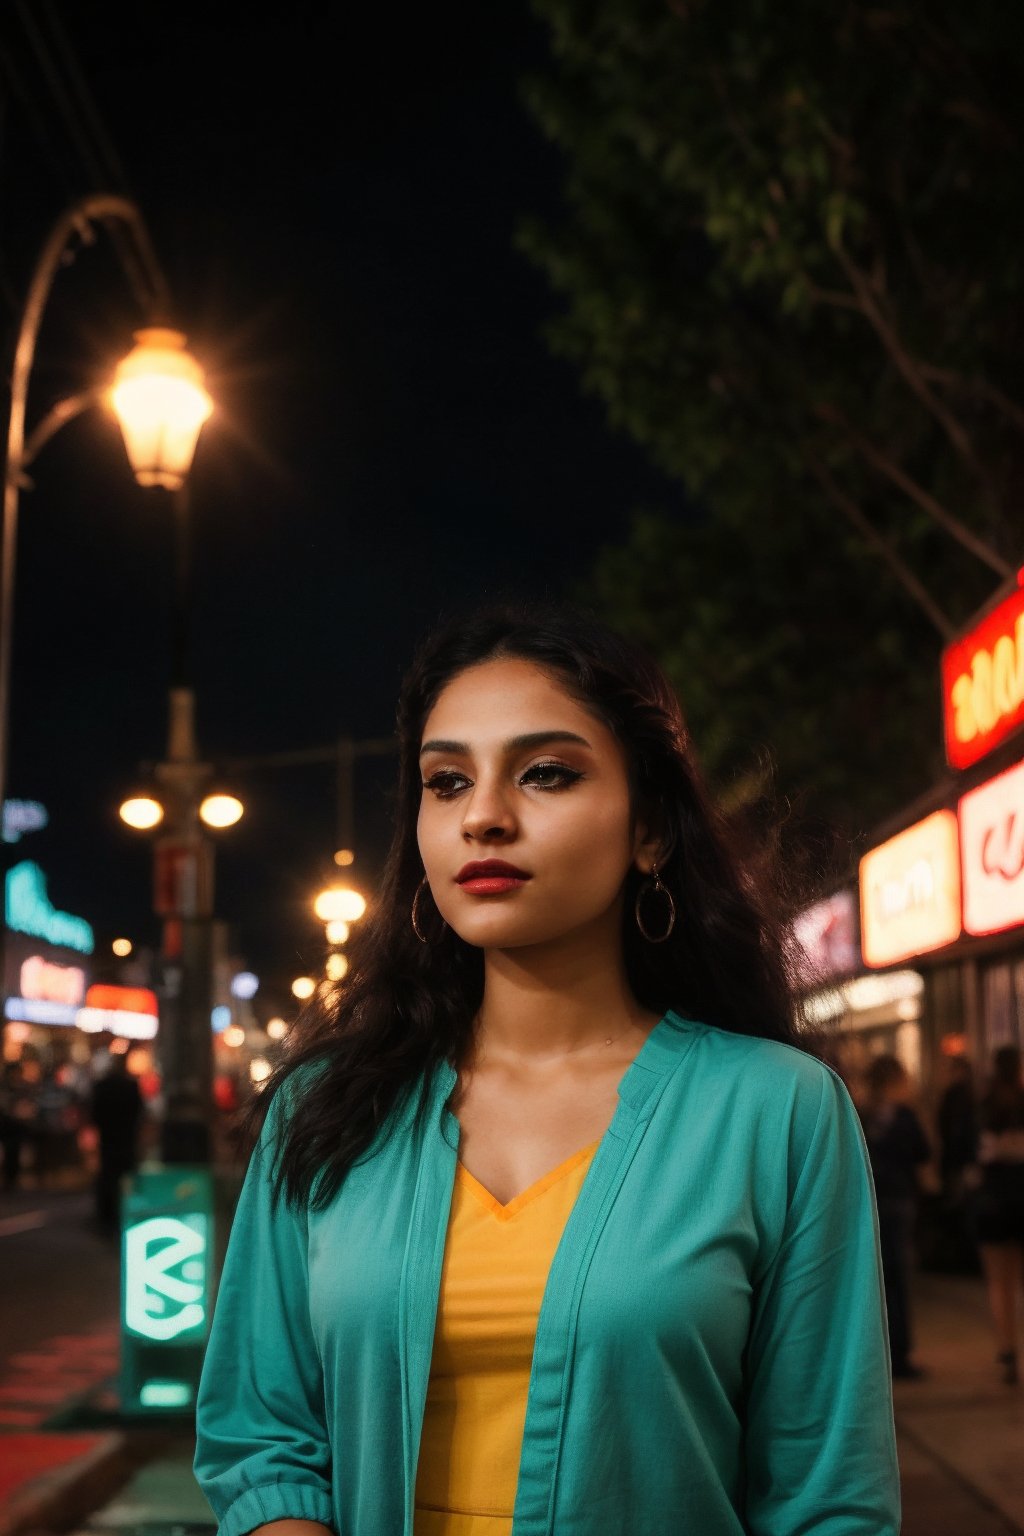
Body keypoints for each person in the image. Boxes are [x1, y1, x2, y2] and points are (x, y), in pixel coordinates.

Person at [194, 604, 900, 1536]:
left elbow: (829, 1497)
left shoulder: (777, 1111)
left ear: (649, 829)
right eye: (445, 783)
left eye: (546, 774)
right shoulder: (325, 1110)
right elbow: (261, 1437)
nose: (484, 816)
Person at [858, 1054, 931, 1380]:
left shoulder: (860, 1112)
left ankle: (876, 1356)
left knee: (874, 1278)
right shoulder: (904, 1114)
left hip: (869, 1201)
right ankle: (900, 1354)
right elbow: (923, 1152)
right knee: (899, 1278)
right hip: (900, 1200)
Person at [974, 1044, 1024, 1384]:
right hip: (1021, 1195)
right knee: (1019, 1280)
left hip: (991, 1201)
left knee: (998, 1280)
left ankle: (1007, 1349)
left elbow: (969, 1152)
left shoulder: (984, 1106)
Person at [90, 1050, 144, 1234]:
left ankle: (106, 1215)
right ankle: (124, 1211)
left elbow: (95, 1113)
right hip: (126, 1138)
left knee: (107, 1175)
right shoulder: (130, 1086)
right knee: (125, 1176)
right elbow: (138, 1112)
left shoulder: (102, 1086)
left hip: (108, 1138)